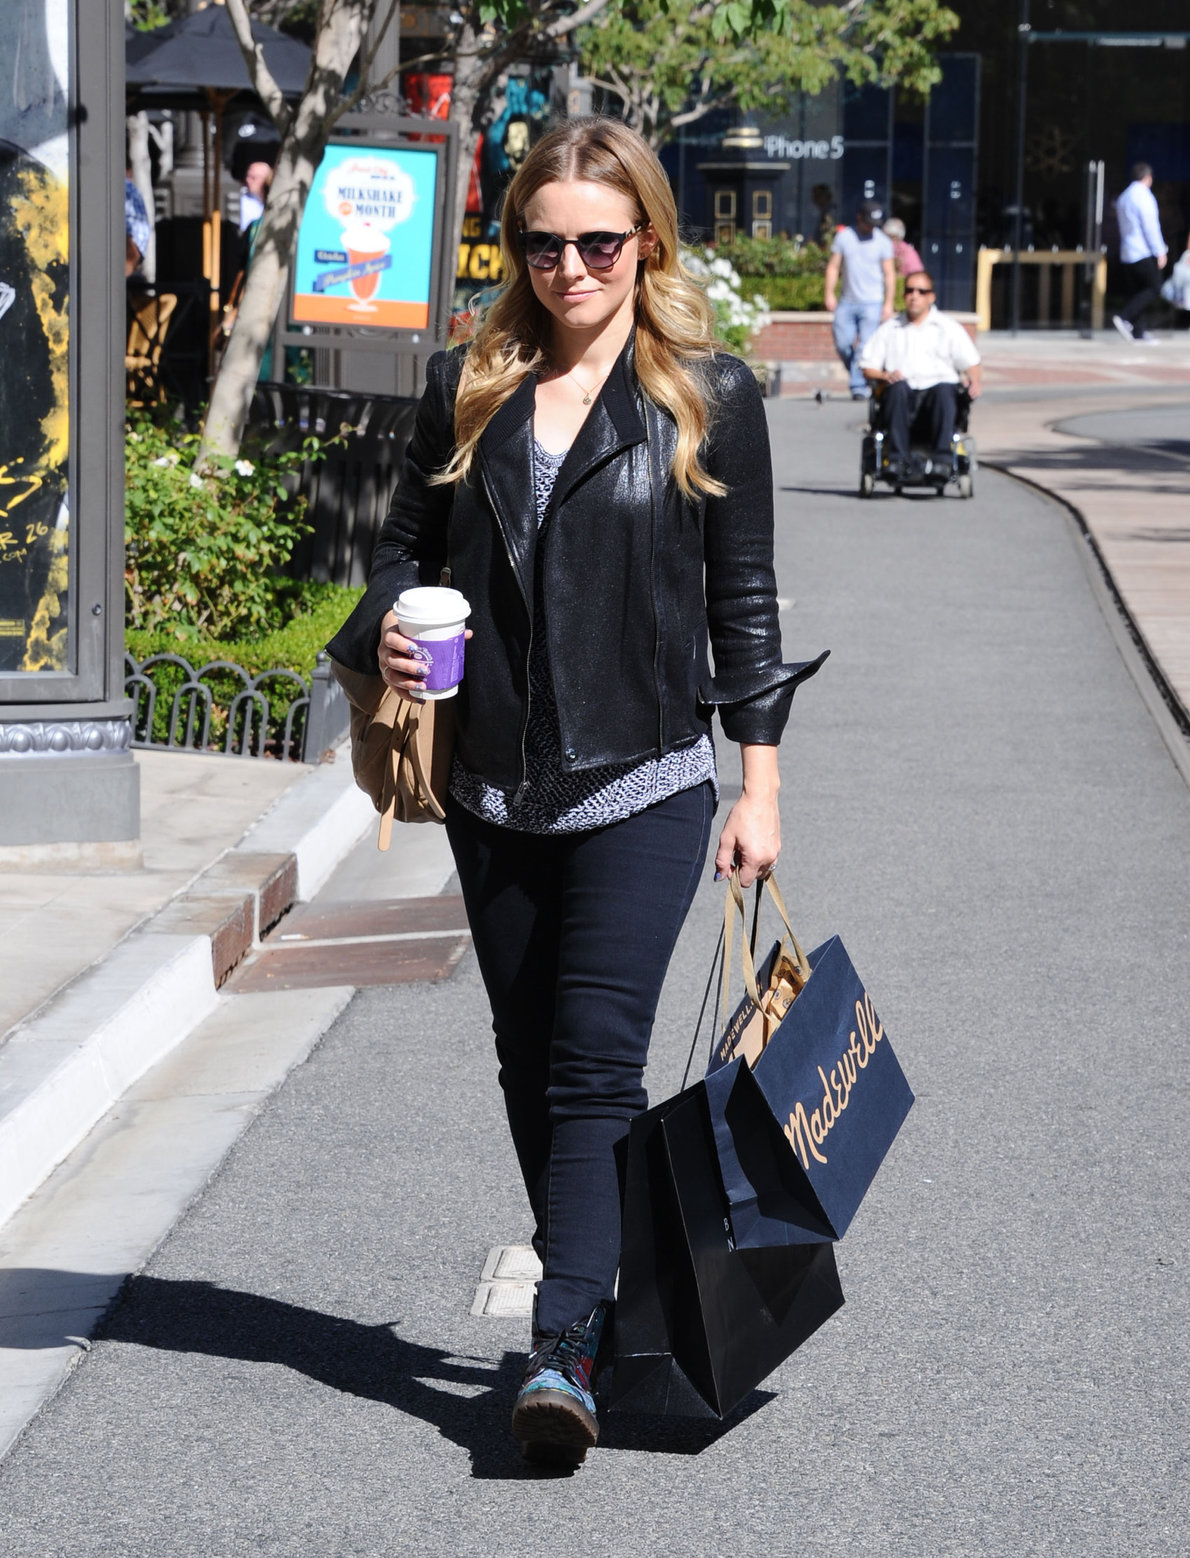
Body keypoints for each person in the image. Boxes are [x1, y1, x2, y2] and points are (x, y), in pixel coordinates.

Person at [326, 117, 823, 1469]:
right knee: (525, 1058)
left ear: (644, 241)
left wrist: (757, 785)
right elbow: (399, 546)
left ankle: (559, 1345)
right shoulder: (467, 384)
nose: (568, 267)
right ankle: (588, 1301)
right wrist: (383, 625)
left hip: (646, 779)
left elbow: (745, 604)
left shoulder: (704, 393)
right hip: (491, 786)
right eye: (541, 243)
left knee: (594, 1060)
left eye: (597, 242)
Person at [859, 268, 981, 481]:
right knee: (897, 389)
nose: (914, 296)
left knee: (946, 389)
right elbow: (867, 365)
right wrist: (884, 375)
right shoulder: (890, 329)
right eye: (909, 290)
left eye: (921, 291)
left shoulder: (948, 328)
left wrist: (975, 380)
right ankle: (896, 460)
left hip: (937, 398)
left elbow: (971, 362)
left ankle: (943, 462)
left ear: (931, 296)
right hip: (902, 399)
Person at [823, 198, 896, 400]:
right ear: (859, 218)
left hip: (872, 302)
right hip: (847, 300)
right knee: (843, 343)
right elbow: (833, 267)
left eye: (875, 225)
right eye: (868, 223)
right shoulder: (845, 237)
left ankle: (858, 387)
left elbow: (889, 274)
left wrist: (888, 303)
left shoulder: (883, 241)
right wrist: (829, 293)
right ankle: (863, 373)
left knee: (864, 346)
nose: (871, 228)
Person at [1113, 162, 1167, 344]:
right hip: (1141, 250)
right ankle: (1125, 317)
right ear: (1148, 178)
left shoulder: (1124, 197)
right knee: (1154, 287)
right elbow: (1151, 226)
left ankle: (1139, 332)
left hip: (1126, 250)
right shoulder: (1144, 196)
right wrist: (1160, 250)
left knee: (1138, 291)